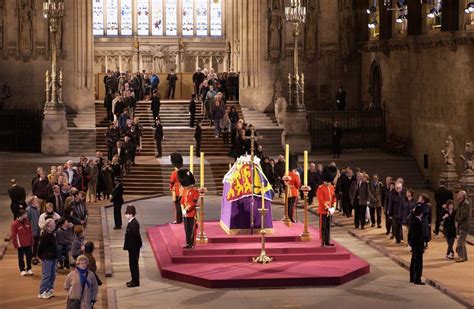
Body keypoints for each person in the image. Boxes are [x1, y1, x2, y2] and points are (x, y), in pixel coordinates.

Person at [317, 165, 338, 247]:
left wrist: (333, 207)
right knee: (323, 227)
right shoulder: (320, 188)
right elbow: (320, 200)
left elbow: (334, 198)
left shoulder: (331, 187)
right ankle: (323, 242)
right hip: (323, 210)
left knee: (328, 227)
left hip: (330, 210)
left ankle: (327, 241)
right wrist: (328, 208)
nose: (329, 183)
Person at [37, 218, 58, 299]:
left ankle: (49, 290)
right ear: (49, 225)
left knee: (53, 275)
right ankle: (42, 292)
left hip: (53, 257)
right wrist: (40, 256)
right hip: (47, 258)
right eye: (53, 223)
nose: (55, 225)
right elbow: (41, 247)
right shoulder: (45, 235)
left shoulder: (51, 233)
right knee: (47, 275)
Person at [179, 169, 199, 249]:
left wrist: (186, 209)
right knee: (187, 230)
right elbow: (182, 201)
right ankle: (188, 243)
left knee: (192, 230)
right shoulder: (184, 190)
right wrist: (182, 209)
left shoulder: (195, 191)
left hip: (192, 213)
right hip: (185, 214)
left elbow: (193, 202)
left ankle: (192, 244)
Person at [123, 205, 142, 287]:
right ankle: (133, 279)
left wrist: (137, 246)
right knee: (132, 264)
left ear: (131, 214)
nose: (125, 215)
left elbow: (136, 236)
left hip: (133, 247)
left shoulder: (134, 224)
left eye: (127, 213)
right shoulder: (132, 222)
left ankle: (135, 281)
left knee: (133, 264)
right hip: (132, 247)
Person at [11, 209, 33, 276]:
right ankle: (22, 269)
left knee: (29, 256)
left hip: (28, 243)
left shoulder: (27, 221)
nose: (26, 215)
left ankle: (29, 268)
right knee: (21, 257)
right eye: (25, 214)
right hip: (20, 244)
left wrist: (32, 241)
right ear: (21, 215)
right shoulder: (14, 224)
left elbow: (30, 232)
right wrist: (15, 244)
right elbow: (13, 235)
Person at [408, 205, 425, 285]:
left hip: (413, 244)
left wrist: (410, 243)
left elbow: (410, 234)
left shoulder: (412, 221)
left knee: (413, 261)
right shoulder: (418, 222)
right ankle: (417, 278)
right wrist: (422, 246)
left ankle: (412, 277)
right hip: (418, 245)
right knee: (418, 262)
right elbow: (419, 236)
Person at [455, 190, 470, 262]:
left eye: (459, 194)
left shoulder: (465, 204)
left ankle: (462, 257)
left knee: (460, 242)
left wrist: (458, 221)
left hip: (464, 225)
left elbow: (464, 215)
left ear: (462, 196)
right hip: (461, 225)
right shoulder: (461, 204)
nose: (457, 195)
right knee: (462, 242)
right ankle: (464, 257)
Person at [25, 196, 41, 264]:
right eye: (35, 200)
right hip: (31, 231)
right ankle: (30, 258)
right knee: (31, 245)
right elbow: (26, 221)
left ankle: (35, 257)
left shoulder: (37, 208)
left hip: (37, 230)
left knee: (36, 245)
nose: (36, 201)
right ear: (32, 201)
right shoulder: (28, 209)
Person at [169, 153, 183, 224]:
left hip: (176, 190)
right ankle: (180, 219)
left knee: (177, 205)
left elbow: (171, 182)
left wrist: (171, 188)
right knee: (180, 205)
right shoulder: (183, 172)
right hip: (182, 189)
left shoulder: (174, 173)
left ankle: (178, 219)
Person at [287, 155, 301, 223]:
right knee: (292, 206)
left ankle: (287, 216)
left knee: (288, 204)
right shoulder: (295, 175)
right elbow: (298, 185)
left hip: (287, 191)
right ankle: (291, 217)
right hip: (293, 191)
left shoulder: (286, 174)